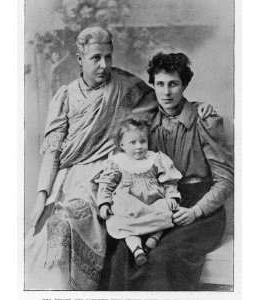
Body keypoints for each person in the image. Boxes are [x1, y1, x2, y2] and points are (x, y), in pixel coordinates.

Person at [25, 26, 215, 291]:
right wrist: (41, 195)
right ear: (80, 58)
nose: (104, 65)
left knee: (67, 223)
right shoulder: (66, 96)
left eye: (108, 57)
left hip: (106, 176)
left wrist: (196, 108)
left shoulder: (127, 87)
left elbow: (167, 99)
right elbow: (53, 149)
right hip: (68, 177)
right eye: (95, 58)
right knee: (42, 236)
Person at [105, 52, 234, 291]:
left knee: (163, 256)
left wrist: (195, 212)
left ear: (184, 85)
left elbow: (226, 180)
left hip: (201, 210)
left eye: (173, 84)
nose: (166, 92)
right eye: (160, 84)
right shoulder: (146, 123)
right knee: (125, 252)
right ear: (152, 85)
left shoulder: (203, 119)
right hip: (159, 203)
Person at [94, 116, 182, 266]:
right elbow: (106, 184)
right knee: (118, 217)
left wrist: (172, 197)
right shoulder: (117, 162)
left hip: (153, 203)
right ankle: (137, 249)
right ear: (122, 144)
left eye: (143, 141)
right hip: (130, 208)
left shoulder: (156, 159)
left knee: (168, 210)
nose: (139, 146)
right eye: (132, 142)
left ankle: (153, 238)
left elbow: (169, 181)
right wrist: (104, 203)